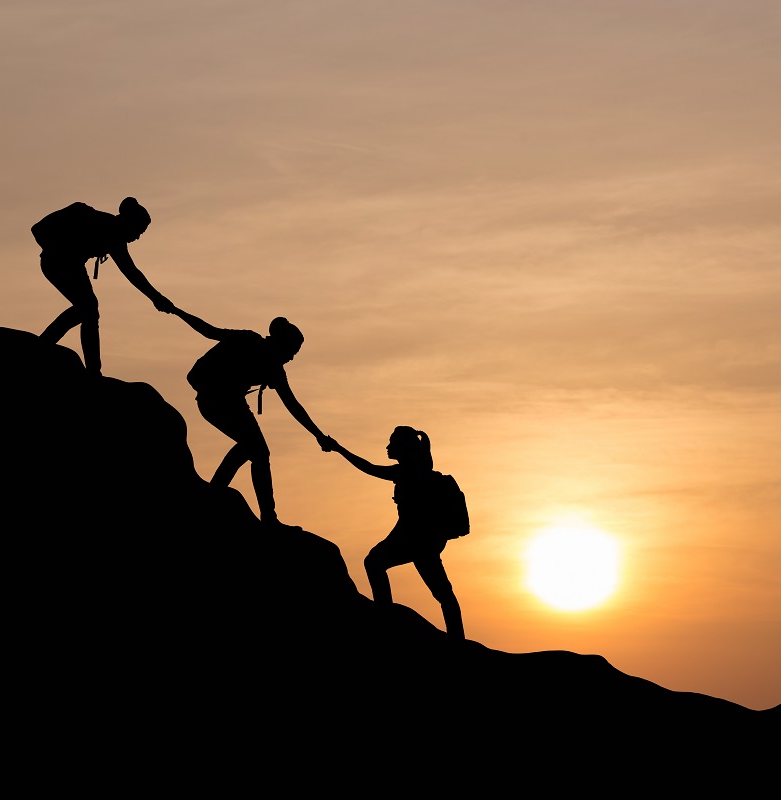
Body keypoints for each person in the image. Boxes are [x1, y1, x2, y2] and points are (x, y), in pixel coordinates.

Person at [173, 309, 334, 529]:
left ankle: (218, 494)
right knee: (257, 450)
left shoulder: (274, 370)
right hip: (214, 400)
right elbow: (209, 331)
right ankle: (265, 516)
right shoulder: (248, 340)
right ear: (281, 343)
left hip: (232, 403)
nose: (292, 357)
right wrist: (175, 310)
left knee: (252, 449)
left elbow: (293, 405)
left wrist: (318, 435)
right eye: (292, 350)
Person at [328, 426, 464, 638]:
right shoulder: (416, 470)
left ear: (403, 447)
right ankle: (456, 637)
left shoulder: (408, 471)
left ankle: (385, 617)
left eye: (392, 443)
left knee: (374, 563)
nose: (388, 447)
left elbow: (369, 468)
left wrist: (338, 449)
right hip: (420, 538)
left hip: (415, 538)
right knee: (442, 592)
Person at [33, 196, 175, 375]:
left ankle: (85, 366)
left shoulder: (114, 236)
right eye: (138, 231)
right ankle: (49, 349)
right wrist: (56, 249)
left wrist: (157, 298)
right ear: (128, 222)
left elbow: (132, 273)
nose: (137, 237)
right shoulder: (99, 223)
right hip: (57, 263)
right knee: (88, 308)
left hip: (72, 265)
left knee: (88, 310)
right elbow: (131, 273)